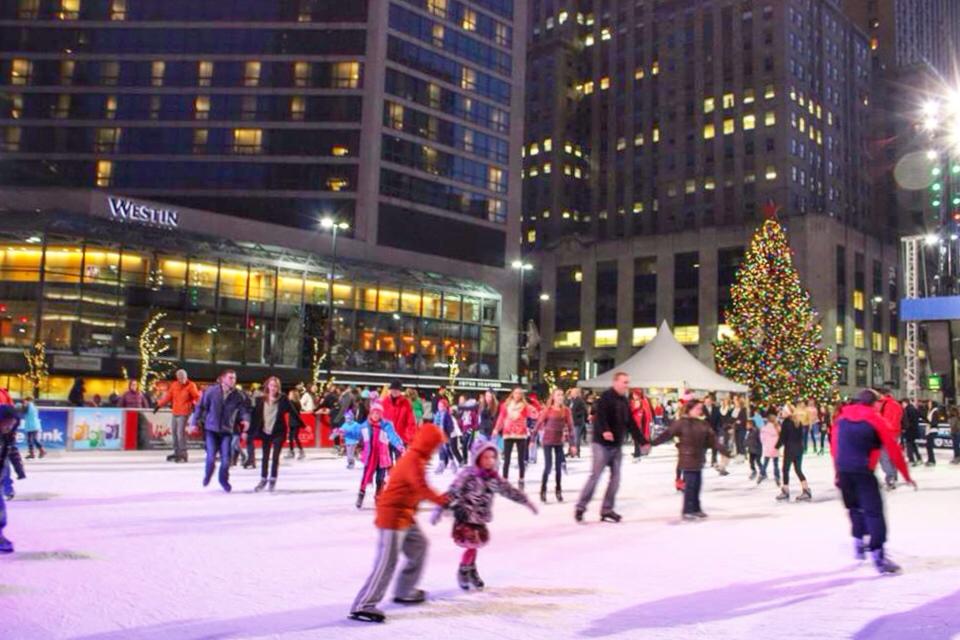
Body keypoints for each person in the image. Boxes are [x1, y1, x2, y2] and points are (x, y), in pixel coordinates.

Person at [348, 423, 448, 624]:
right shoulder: (413, 461)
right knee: (387, 562)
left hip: (405, 515)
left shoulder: (417, 458)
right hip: (392, 517)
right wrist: (444, 501)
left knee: (419, 546)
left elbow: (414, 490)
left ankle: (404, 590)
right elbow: (421, 488)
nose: (437, 449)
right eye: (436, 445)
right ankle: (363, 605)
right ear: (429, 443)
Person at [433, 439, 537, 591]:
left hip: (480, 518)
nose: (490, 461)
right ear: (477, 458)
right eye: (486, 457)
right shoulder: (468, 475)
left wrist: (526, 502)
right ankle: (463, 570)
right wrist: (439, 508)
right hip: (465, 516)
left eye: (492, 457)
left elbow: (509, 491)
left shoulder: (494, 478)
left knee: (475, 545)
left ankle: (471, 569)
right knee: (472, 545)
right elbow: (453, 491)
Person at [831, 389, 915, 574]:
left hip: (844, 471)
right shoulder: (875, 420)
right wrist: (906, 475)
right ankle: (878, 555)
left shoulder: (842, 418)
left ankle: (859, 542)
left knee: (854, 508)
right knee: (874, 512)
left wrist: (837, 472)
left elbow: (835, 447)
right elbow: (893, 449)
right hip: (862, 472)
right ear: (874, 403)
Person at [575, 372, 642, 524]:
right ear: (616, 382)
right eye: (624, 382)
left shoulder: (624, 401)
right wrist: (605, 430)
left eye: (627, 382)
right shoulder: (606, 397)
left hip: (616, 445)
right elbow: (601, 416)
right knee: (596, 476)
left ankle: (607, 509)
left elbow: (630, 423)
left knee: (616, 479)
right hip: (601, 444)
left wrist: (642, 441)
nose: (626, 385)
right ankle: (581, 507)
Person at [651, 398, 724, 520]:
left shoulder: (703, 423)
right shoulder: (681, 423)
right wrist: (652, 443)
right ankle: (687, 510)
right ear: (690, 409)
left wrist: (724, 450)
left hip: (699, 458)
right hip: (687, 458)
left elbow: (713, 440)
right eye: (698, 408)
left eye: (701, 408)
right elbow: (667, 434)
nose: (701, 410)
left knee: (697, 485)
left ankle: (695, 508)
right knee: (690, 486)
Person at [187, 369, 251, 493]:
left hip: (227, 431)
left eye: (234, 378)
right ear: (223, 379)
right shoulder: (211, 391)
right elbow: (200, 407)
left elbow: (244, 410)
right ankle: (208, 474)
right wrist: (194, 422)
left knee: (226, 460)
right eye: (230, 378)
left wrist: (246, 420)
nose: (233, 380)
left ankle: (223, 480)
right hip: (211, 430)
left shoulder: (238, 395)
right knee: (211, 458)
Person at [343, 401, 405, 509]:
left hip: (382, 458)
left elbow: (393, 436)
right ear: (370, 414)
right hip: (369, 457)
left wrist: (399, 445)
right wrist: (343, 432)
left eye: (378, 413)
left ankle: (378, 496)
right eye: (374, 413)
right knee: (365, 477)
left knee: (380, 479)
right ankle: (361, 495)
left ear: (381, 414)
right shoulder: (365, 426)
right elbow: (356, 433)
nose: (376, 415)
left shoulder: (386, 425)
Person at [250, 376, 303, 492]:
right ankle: (263, 479)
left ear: (278, 387)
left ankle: (273, 479)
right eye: (271, 385)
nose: (273, 388)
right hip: (265, 432)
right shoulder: (260, 399)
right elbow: (254, 415)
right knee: (265, 457)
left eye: (275, 386)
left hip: (279, 432)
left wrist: (302, 424)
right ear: (267, 386)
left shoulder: (283, 398)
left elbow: (293, 411)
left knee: (275, 457)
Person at [535, 388, 575, 503]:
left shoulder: (566, 410)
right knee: (548, 467)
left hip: (559, 442)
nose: (560, 397)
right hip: (547, 441)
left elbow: (571, 428)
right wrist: (532, 439)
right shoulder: (547, 410)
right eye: (558, 395)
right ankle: (543, 490)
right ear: (553, 397)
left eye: (562, 395)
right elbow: (538, 423)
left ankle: (558, 490)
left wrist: (572, 444)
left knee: (558, 468)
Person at [493, 387, 537, 487]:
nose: (517, 395)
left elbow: (535, 414)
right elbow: (501, 418)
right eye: (516, 393)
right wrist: (496, 429)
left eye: (519, 393)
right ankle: (505, 478)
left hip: (521, 434)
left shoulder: (525, 406)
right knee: (506, 459)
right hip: (508, 434)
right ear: (512, 394)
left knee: (521, 459)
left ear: (522, 395)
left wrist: (534, 404)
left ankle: (521, 478)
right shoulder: (505, 405)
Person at [154, 369, 201, 463]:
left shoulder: (191, 385)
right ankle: (176, 453)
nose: (182, 379)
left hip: (184, 413)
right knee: (174, 434)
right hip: (175, 412)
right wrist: (159, 405)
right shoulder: (174, 385)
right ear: (177, 378)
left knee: (180, 434)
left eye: (183, 377)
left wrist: (198, 407)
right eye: (179, 378)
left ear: (186, 376)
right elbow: (168, 397)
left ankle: (183, 454)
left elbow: (197, 397)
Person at [0, 404, 25, 553]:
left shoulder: (8, 437)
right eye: (6, 423)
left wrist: (19, 470)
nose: (9, 427)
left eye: (12, 424)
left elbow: (13, 452)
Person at [776, 405, 812, 502]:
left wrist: (776, 447)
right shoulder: (798, 422)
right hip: (799, 449)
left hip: (790, 449)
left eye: (783, 411)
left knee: (785, 469)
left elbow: (783, 438)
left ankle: (785, 491)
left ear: (788, 412)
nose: (782, 412)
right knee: (798, 470)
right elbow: (801, 436)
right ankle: (806, 490)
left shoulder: (786, 423)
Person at [875, 388, 904, 490]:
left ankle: (890, 477)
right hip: (895, 434)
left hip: (886, 434)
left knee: (884, 458)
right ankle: (893, 476)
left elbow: (885, 421)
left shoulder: (884, 405)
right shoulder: (896, 404)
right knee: (890, 457)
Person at [383, 380, 418, 445]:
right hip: (386, 437)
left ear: (400, 391)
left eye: (397, 390)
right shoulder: (385, 402)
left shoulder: (406, 403)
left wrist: (410, 436)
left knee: (400, 455)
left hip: (401, 438)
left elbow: (410, 421)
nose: (394, 391)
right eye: (393, 389)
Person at [433, 398, 460, 474]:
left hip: (445, 435)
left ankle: (452, 463)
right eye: (439, 406)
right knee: (441, 450)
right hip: (438, 435)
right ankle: (441, 465)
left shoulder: (447, 414)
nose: (440, 407)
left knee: (447, 449)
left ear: (445, 407)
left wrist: (449, 432)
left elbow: (450, 425)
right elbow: (435, 423)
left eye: (441, 406)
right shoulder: (437, 414)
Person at [758, 409, 781, 485]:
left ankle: (762, 474)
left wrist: (764, 444)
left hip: (767, 448)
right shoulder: (777, 428)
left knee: (765, 463)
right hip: (775, 448)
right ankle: (777, 476)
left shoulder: (764, 428)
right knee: (775, 464)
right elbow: (780, 437)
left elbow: (762, 438)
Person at [630, 389, 653, 460]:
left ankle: (638, 452)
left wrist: (650, 421)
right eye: (633, 394)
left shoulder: (643, 401)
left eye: (635, 394)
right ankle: (638, 452)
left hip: (641, 423)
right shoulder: (632, 402)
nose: (634, 396)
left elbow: (648, 411)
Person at [568, 387, 588, 456]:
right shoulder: (572, 400)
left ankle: (576, 451)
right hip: (573, 421)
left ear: (575, 393)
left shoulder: (580, 400)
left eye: (572, 392)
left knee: (576, 437)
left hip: (578, 422)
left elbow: (584, 410)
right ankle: (571, 451)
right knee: (572, 437)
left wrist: (576, 415)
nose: (571, 394)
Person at [902, 398, 923, 466]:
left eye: (903, 403)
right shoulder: (913, 409)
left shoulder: (908, 410)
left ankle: (911, 460)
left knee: (909, 445)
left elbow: (908, 421)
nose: (902, 405)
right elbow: (920, 415)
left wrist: (905, 427)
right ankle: (918, 458)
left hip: (909, 430)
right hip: (913, 430)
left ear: (905, 403)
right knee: (913, 445)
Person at [924, 401, 945, 466]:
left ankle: (932, 460)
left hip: (932, 430)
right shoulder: (930, 411)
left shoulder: (935, 411)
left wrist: (928, 422)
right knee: (928, 446)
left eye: (929, 404)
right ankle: (930, 459)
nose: (928, 405)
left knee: (929, 446)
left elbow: (934, 422)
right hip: (929, 430)